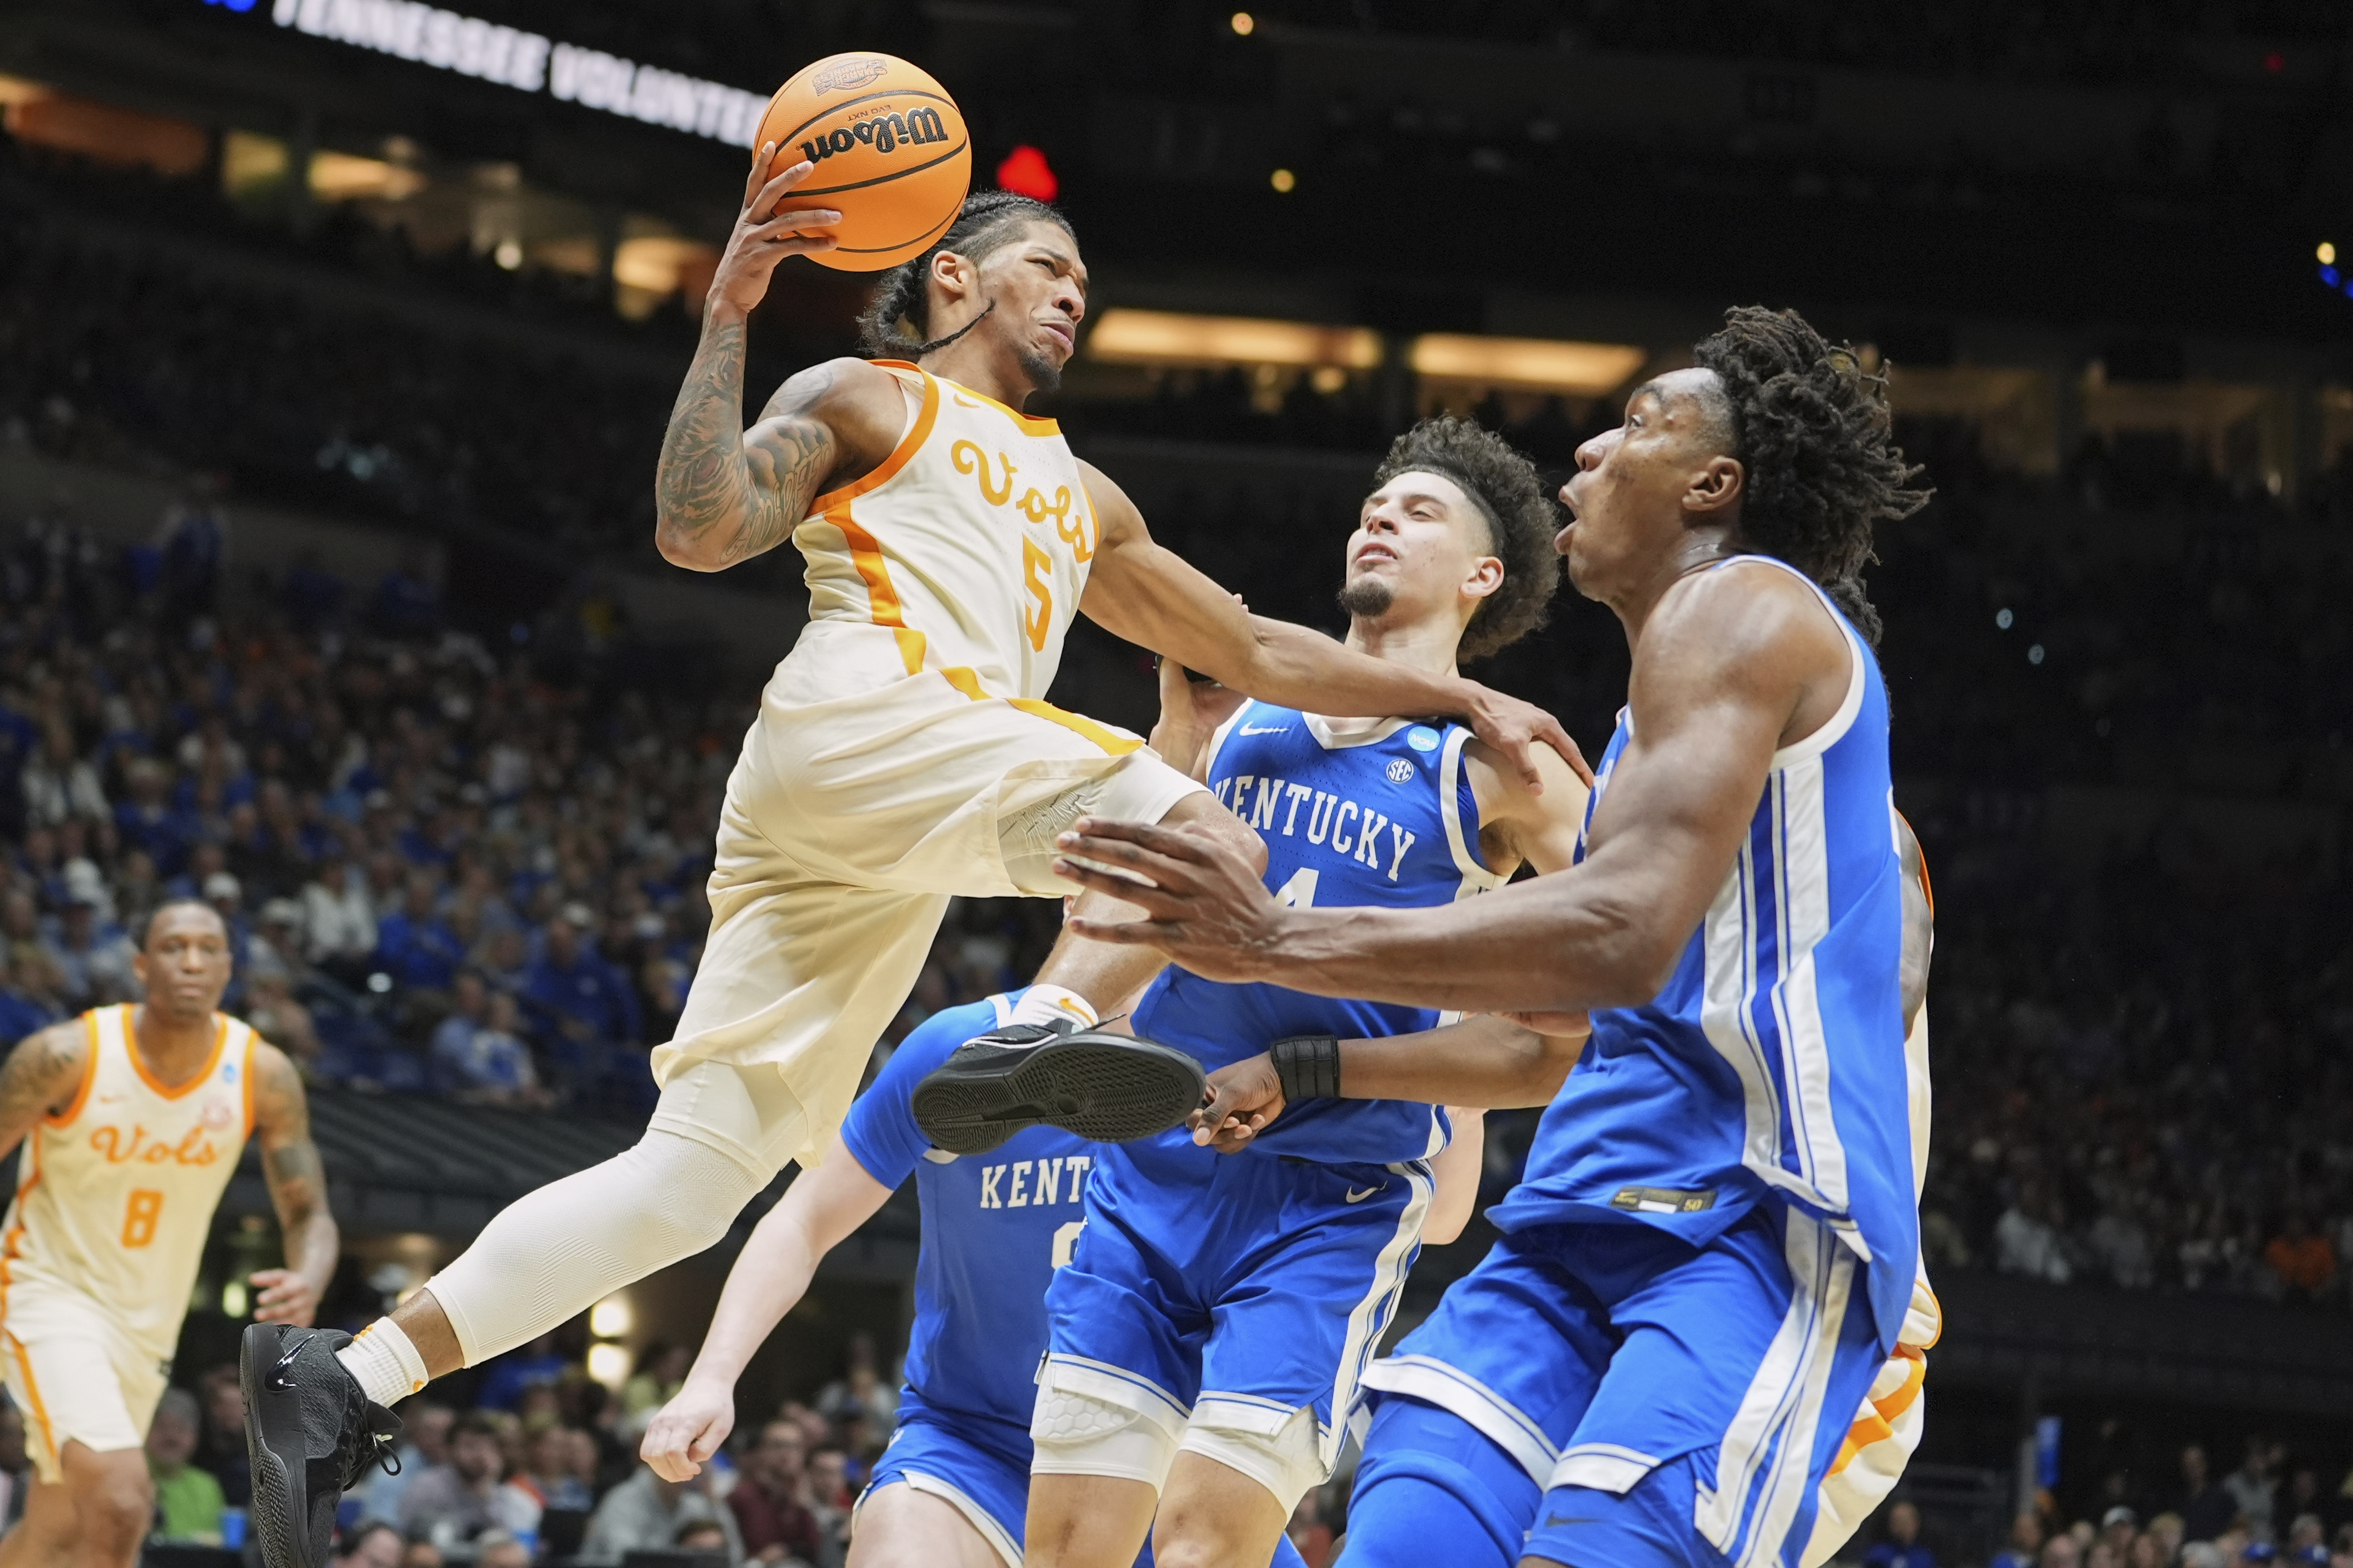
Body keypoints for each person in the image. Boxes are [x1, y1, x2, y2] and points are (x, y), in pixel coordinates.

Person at [248, 156, 1578, 1568]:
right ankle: (1050, 1028)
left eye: (1085, 283)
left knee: (692, 1180)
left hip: (872, 829)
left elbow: (1250, 649)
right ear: (954, 275)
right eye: (1048, 269)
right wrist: (731, 305)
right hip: (864, 721)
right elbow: (696, 530)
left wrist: (1464, 696)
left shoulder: (1090, 500)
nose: (1076, 296)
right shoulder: (870, 396)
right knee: (1207, 830)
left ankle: (341, 1382)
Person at [1050, 306, 1931, 1568]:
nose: (1581, 452)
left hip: (1751, 1214)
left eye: (1633, 426)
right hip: (1571, 1211)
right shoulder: (1636, 735)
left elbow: (1618, 938)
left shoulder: (1748, 607)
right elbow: (1561, 1008)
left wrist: (1277, 941)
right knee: (1397, 1525)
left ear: (1711, 485)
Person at [1021, 417, 1590, 1568]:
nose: (1380, 515)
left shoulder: (1500, 765)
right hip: (1153, 1166)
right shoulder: (1233, 706)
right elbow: (1101, 927)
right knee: (1071, 1550)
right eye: (1377, 502)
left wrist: (1313, 1072)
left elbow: (1580, 1019)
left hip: (1329, 1200)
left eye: (1420, 510)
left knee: (1199, 1547)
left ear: (1484, 577)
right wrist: (1176, 740)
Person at [641, 987, 1352, 1568]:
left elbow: (1434, 1212)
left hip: (1159, 1476)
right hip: (973, 1451)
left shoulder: (1248, 1079)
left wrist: (1435, 1067)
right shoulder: (968, 1048)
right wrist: (711, 1376)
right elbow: (804, 1220)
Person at [0, 899, 339, 1568]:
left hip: (147, 1327)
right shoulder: (66, 1055)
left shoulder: (262, 1073)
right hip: (47, 1294)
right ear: (139, 964)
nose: (190, 960)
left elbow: (309, 1214)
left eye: (207, 947)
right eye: (173, 946)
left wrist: (307, 1279)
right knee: (126, 1499)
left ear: (228, 966)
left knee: (57, 1525)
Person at [396, 1412, 541, 1549]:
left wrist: (487, 1483)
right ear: (450, 1449)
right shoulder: (426, 1486)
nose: (480, 1454)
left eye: (488, 1447)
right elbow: (403, 1536)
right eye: (470, 1446)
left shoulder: (512, 1498)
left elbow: (522, 1546)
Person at [579, 1465, 741, 1566]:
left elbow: (733, 1555)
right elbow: (629, 1560)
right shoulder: (623, 1501)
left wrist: (712, 1497)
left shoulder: (691, 1504)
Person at [726, 1421, 821, 1567]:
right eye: (779, 1446)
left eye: (794, 1447)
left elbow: (817, 1551)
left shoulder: (805, 1496)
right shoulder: (742, 1497)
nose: (786, 1454)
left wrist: (806, 1507)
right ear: (762, 1451)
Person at [147, 1389, 228, 1543]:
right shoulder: (129, 1482)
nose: (171, 1436)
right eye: (162, 1427)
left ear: (195, 1437)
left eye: (180, 1428)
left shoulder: (207, 1487)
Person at [1865, 1500, 1935, 1568]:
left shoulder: (1924, 1557)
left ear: (1916, 1523)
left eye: (1906, 1522)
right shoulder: (1878, 1555)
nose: (1902, 1527)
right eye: (1898, 1521)